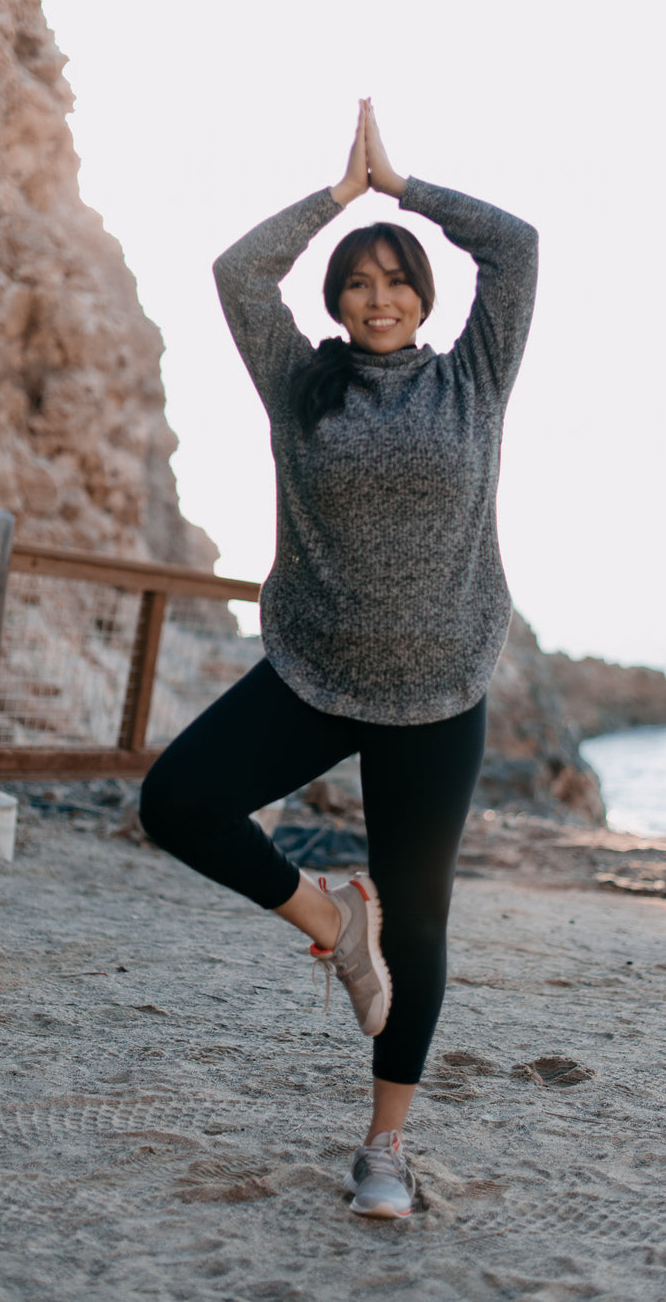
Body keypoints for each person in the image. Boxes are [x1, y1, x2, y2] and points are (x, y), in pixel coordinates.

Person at [140, 99, 538, 1219]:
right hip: (314, 671)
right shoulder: (294, 379)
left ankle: (385, 1147)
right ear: (334, 296)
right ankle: (326, 922)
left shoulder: (475, 376)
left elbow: (515, 246)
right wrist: (334, 198)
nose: (377, 296)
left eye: (395, 277)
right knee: (177, 802)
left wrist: (402, 191)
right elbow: (234, 269)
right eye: (357, 279)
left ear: (425, 291)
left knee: (417, 928)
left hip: (439, 687)